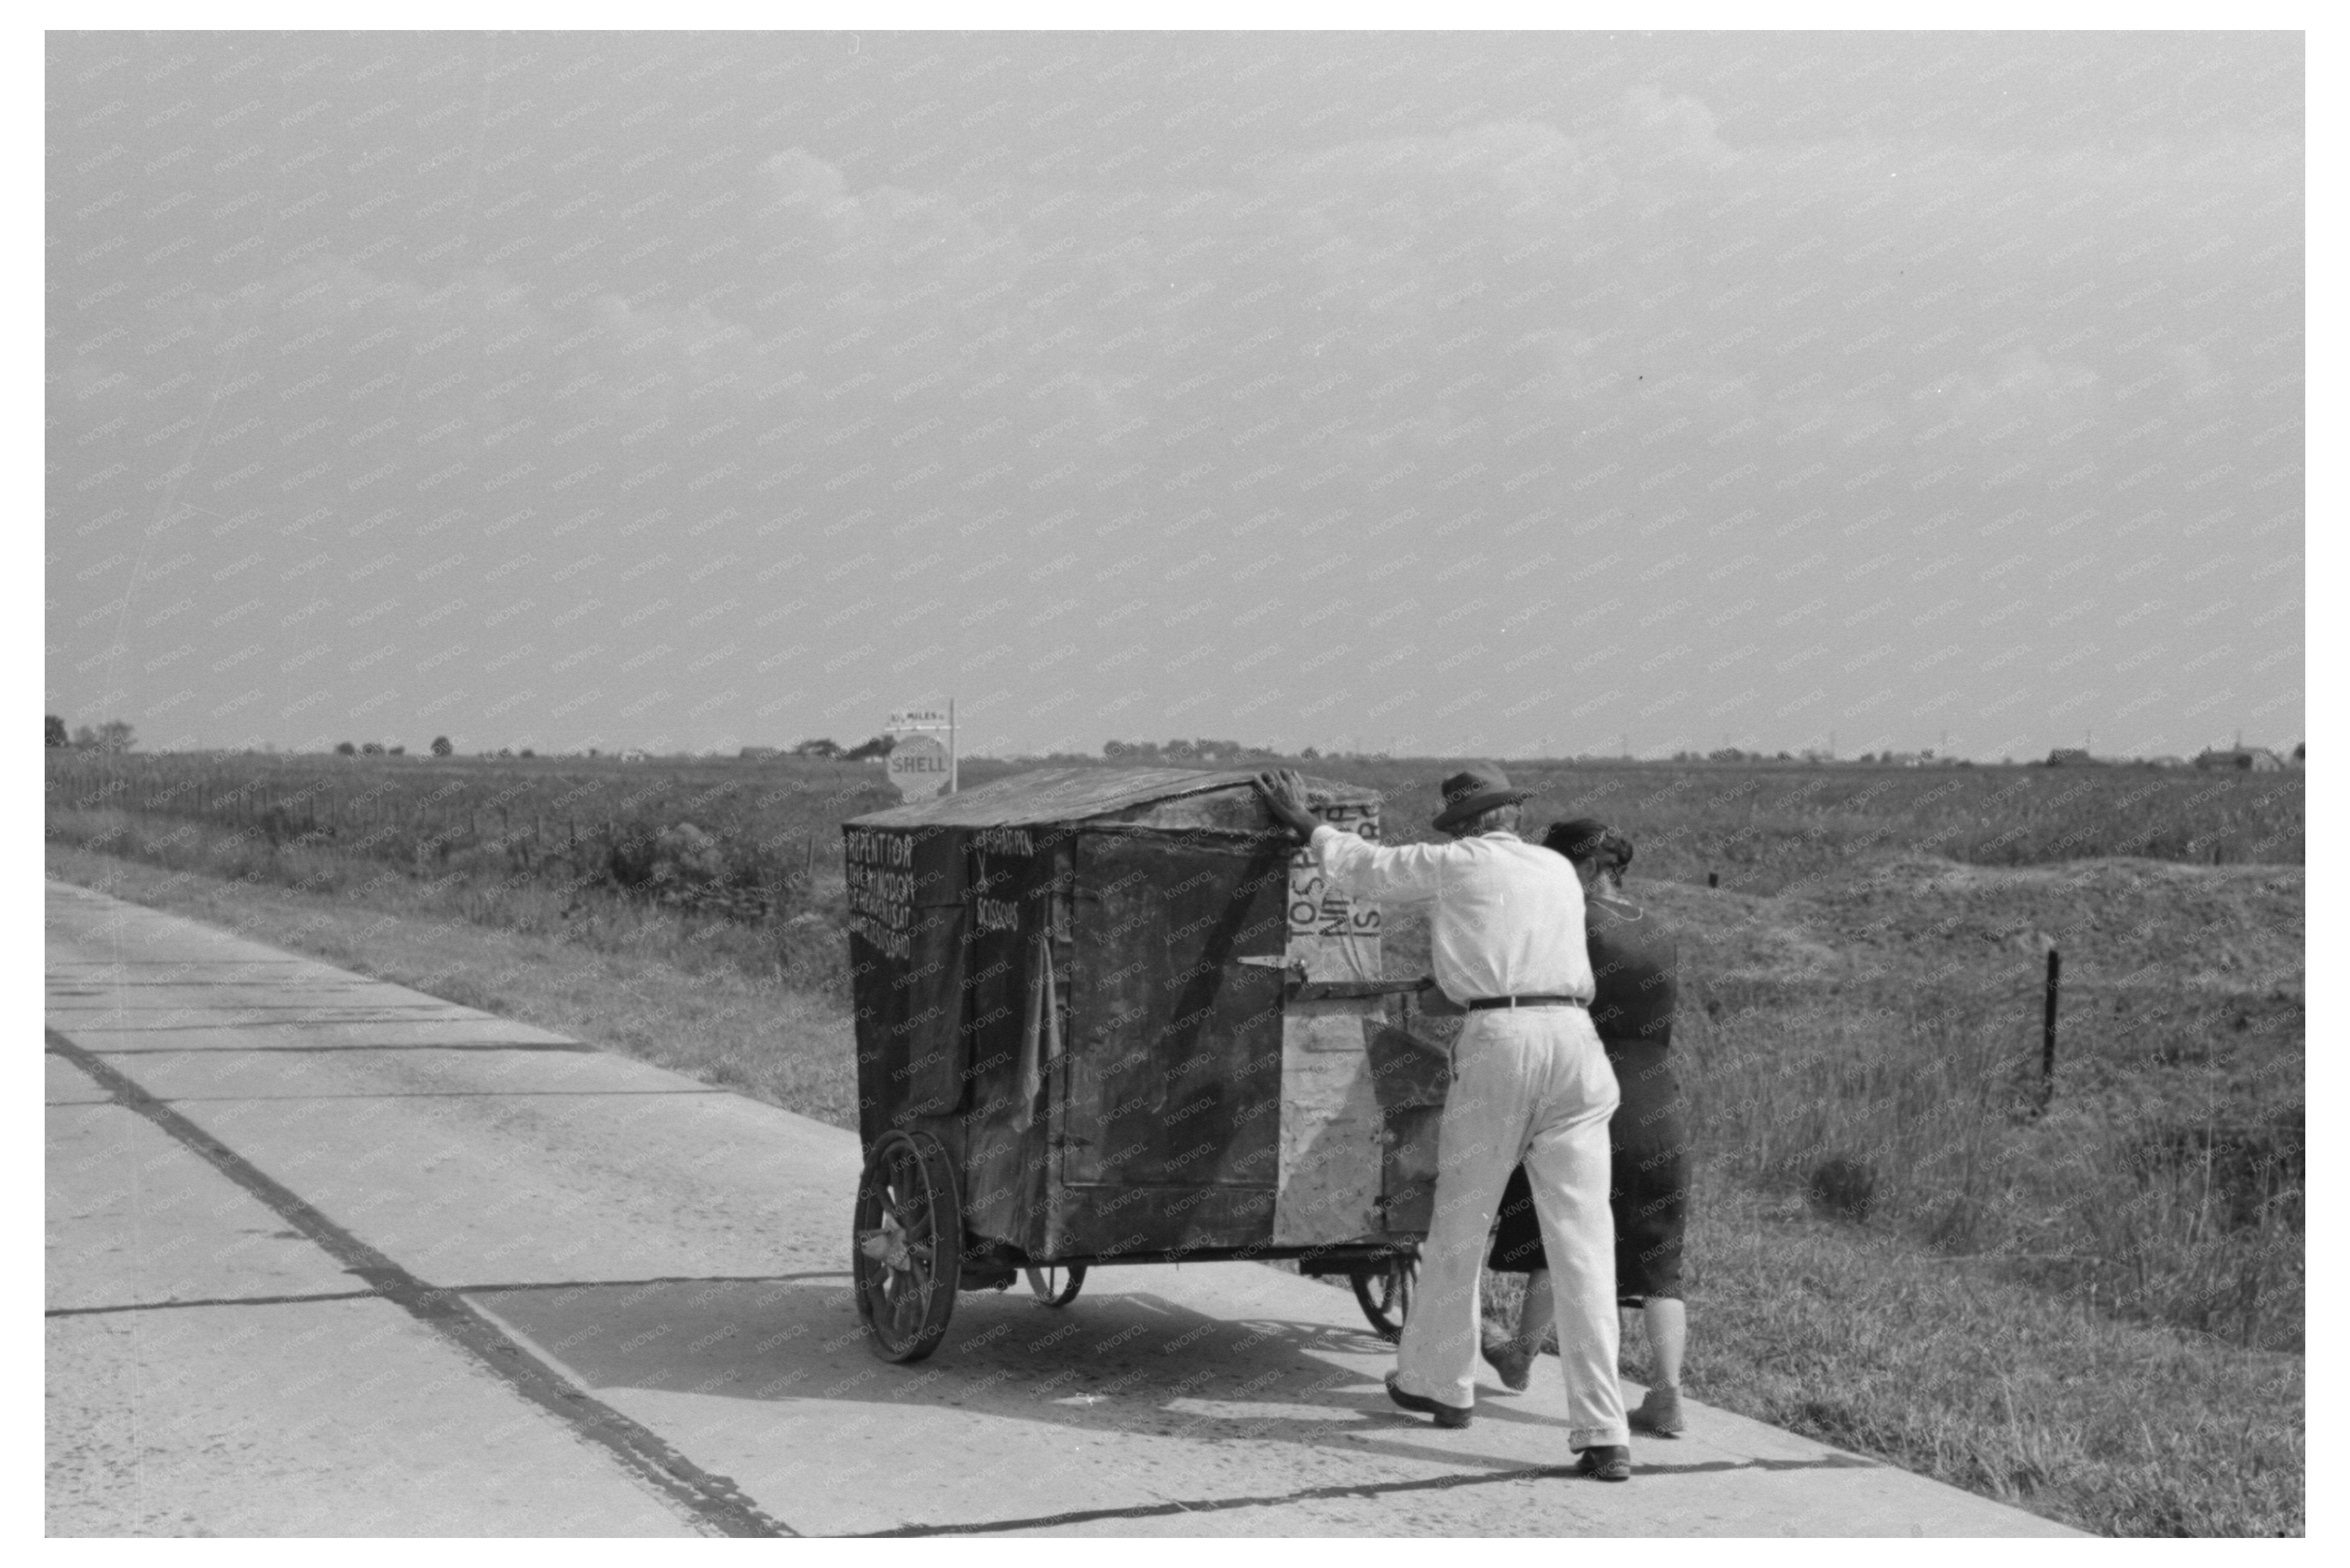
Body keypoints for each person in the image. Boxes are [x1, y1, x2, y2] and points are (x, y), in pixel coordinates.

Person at [1254, 765, 1633, 1482]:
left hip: (1503, 1041)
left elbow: (1365, 870)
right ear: (1513, 817)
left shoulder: (1456, 863)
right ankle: (1604, 1431)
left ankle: (1443, 1384)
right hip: (1578, 1045)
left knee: (1461, 1222)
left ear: (1464, 825)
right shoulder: (1555, 868)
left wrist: (1306, 823)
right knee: (1585, 1246)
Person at [1480, 818, 1689, 1438]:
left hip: (1589, 1085)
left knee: (1562, 1220)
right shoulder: (1660, 927)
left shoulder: (1569, 920)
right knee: (1659, 1257)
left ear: (1580, 867)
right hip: (1658, 1097)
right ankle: (1668, 1395)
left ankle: (1521, 1352)